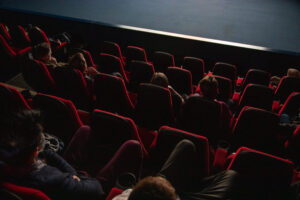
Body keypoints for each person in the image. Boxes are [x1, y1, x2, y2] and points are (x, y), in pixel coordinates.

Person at [0, 109, 143, 200]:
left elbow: (48, 154)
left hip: (69, 175)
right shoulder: (55, 182)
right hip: (87, 186)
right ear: (35, 150)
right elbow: (97, 189)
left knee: (85, 130)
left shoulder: (7, 161)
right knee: (132, 146)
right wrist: (78, 178)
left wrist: (70, 170)